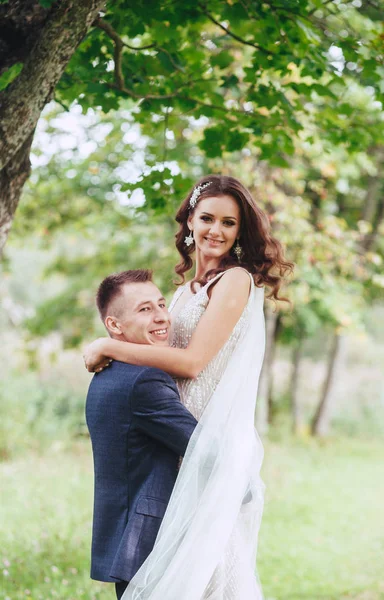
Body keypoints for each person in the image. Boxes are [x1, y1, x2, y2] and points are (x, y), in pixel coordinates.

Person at [84, 175, 293, 599]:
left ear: (240, 231)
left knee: (212, 569)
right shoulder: (182, 292)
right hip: (173, 441)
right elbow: (155, 348)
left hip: (203, 438)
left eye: (229, 223)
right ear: (191, 223)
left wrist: (109, 346)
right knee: (177, 573)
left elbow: (193, 363)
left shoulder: (234, 281)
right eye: (207, 218)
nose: (216, 231)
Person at [85, 269, 198, 600]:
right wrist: (244, 488)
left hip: (125, 540)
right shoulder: (144, 380)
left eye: (161, 304)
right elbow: (202, 448)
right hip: (149, 541)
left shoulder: (107, 375)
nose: (161, 316)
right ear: (115, 326)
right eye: (144, 309)